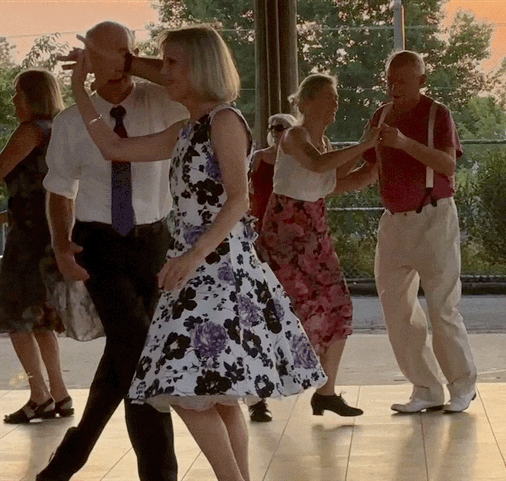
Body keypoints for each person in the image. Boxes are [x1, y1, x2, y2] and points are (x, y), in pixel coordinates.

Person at [68, 25, 326, 481]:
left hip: (219, 269)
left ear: (201, 68)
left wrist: (192, 256)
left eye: (172, 63)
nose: (162, 71)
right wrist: (78, 89)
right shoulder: (186, 129)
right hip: (194, 270)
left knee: (184, 388)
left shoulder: (224, 121)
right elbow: (113, 147)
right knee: (217, 394)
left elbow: (239, 200)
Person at [37, 21, 188, 481]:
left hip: (154, 243)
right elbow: (59, 189)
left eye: (122, 52)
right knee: (142, 355)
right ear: (86, 61)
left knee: (124, 358)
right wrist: (62, 247)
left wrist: (127, 61)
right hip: (99, 245)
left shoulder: (163, 100)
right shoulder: (71, 121)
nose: (114, 65)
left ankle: (70, 456)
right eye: (100, 56)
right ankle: (160, 474)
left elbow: (203, 85)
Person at [337, 50, 477, 414]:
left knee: (442, 307)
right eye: (389, 80)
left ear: (421, 81)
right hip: (394, 222)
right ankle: (426, 388)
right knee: (396, 308)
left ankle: (462, 386)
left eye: (402, 80)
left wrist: (404, 143)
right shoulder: (381, 116)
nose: (393, 87)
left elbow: (447, 165)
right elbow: (369, 171)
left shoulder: (437, 114)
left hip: (434, 217)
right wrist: (322, 189)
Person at [257, 74, 380, 417]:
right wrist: (364, 145)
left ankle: (326, 392)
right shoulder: (295, 136)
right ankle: (258, 391)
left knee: (338, 305)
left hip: (314, 226)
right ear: (306, 102)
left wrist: (373, 164)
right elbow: (317, 164)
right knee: (287, 309)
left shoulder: (325, 143)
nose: (335, 103)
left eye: (336, 97)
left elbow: (334, 180)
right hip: (287, 230)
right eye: (329, 97)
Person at [0, 69, 73, 424]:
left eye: (19, 93)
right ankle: (59, 394)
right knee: (41, 321)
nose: (14, 99)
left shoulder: (30, 131)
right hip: (48, 234)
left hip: (28, 242)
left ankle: (39, 395)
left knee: (16, 319)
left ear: (33, 96)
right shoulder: (56, 131)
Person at [246, 112, 295, 423]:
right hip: (259, 238)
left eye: (283, 127)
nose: (277, 132)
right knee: (258, 316)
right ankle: (257, 398)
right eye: (273, 127)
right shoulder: (257, 160)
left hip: (289, 239)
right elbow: (247, 195)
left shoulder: (298, 160)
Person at [249, 113, 296, 233]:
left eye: (279, 128)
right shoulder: (259, 156)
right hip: (260, 212)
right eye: (271, 128)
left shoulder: (296, 159)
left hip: (287, 213)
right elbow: (249, 185)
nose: (274, 132)